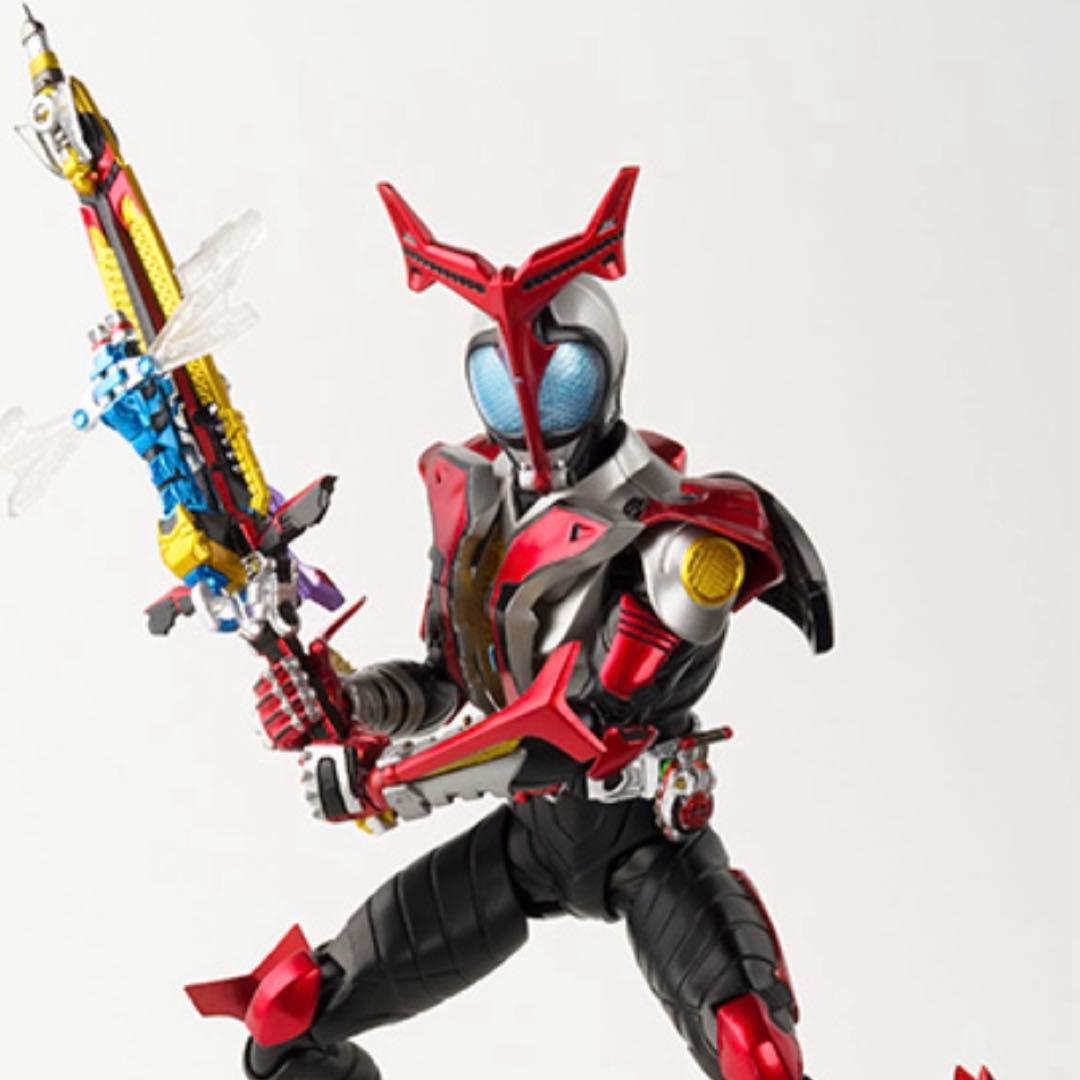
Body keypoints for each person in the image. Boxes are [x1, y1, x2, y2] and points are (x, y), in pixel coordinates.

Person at [187, 166, 832, 1080]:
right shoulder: (473, 501)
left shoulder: (687, 543)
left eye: (559, 374)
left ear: (603, 370)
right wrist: (347, 703)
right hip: (527, 843)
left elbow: (568, 728)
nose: (529, 403)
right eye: (500, 378)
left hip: (646, 848)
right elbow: (444, 681)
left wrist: (390, 784)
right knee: (286, 1026)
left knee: (753, 1053)